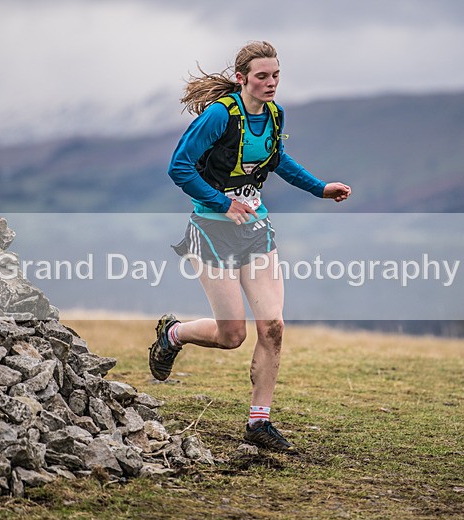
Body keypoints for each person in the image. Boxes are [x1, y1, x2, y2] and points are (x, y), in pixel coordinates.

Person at [149, 41, 351, 452]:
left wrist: (320, 189)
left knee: (273, 326)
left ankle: (259, 423)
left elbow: (277, 160)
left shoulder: (274, 114)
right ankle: (173, 334)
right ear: (242, 78)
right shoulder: (219, 115)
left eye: (276, 75)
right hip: (211, 229)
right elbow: (179, 167)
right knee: (231, 335)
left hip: (255, 228)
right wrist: (224, 203)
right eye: (262, 76)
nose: (271, 83)